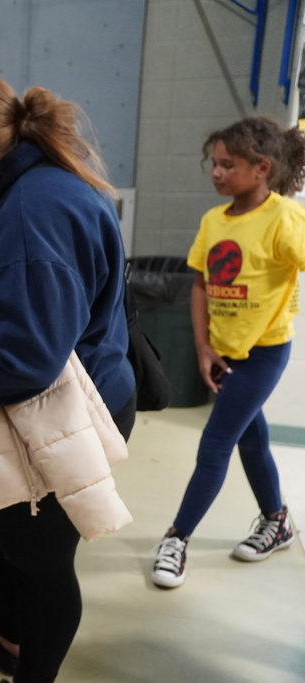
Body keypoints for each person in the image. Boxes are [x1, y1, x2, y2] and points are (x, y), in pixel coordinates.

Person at [0, 66, 135, 683]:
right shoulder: (29, 187)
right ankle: (10, 635)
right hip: (57, 403)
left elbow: (24, 361)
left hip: (62, 418)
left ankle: (33, 669)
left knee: (40, 567)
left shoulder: (33, 213)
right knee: (1, 536)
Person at [150, 116, 305, 589]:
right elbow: (200, 282)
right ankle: (277, 521)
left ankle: (177, 537)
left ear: (261, 168)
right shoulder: (213, 221)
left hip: (264, 352)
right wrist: (201, 346)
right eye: (213, 164)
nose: (216, 173)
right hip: (224, 351)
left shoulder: (283, 218)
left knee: (215, 443)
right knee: (250, 438)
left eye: (228, 165)